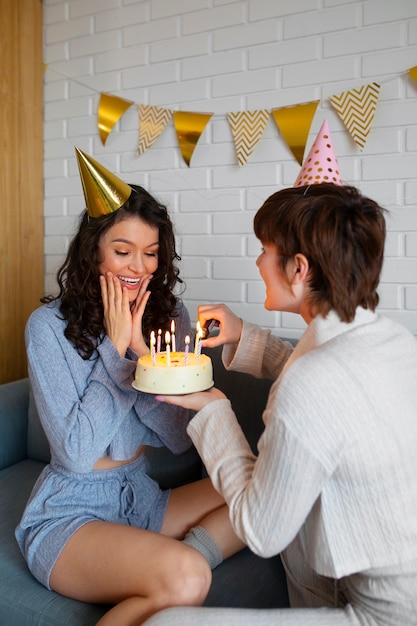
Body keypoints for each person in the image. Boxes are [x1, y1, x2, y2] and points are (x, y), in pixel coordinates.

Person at [153, 182, 417, 625]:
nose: (258, 261)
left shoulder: (312, 381)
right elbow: (327, 381)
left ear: (298, 268)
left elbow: (261, 530)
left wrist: (215, 408)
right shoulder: (394, 340)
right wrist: (245, 334)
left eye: (265, 248)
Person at [16, 149, 244, 626]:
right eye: (122, 251)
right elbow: (76, 453)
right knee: (188, 576)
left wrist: (144, 353)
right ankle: (172, 564)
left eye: (151, 253)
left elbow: (180, 438)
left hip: (141, 499)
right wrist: (116, 354)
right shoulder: (47, 329)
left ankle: (157, 559)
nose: (138, 267)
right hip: (69, 513)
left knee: (259, 483)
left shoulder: (169, 320)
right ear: (93, 250)